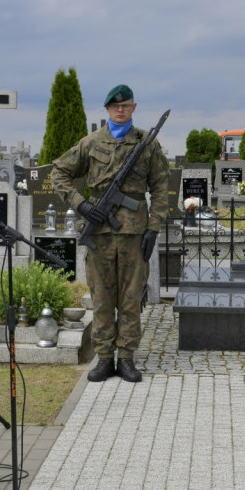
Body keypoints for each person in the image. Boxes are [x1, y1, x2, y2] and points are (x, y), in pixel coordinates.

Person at [50, 84, 169, 383]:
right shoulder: (91, 143)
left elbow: (160, 188)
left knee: (130, 299)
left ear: (133, 107)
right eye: (116, 107)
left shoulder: (147, 144)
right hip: (100, 234)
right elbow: (58, 173)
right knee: (102, 298)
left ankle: (126, 357)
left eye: (126, 105)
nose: (121, 110)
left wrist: (153, 228)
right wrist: (82, 205)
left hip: (134, 234)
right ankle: (104, 358)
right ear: (107, 110)